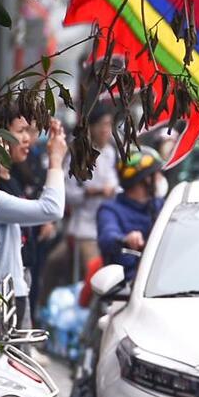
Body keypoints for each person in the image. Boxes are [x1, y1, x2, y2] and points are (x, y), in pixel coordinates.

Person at [0, 113, 66, 325]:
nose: (7, 147)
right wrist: (56, 159)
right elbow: (51, 209)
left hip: (9, 291)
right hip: (2, 295)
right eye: (0, 144)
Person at [65, 105, 118, 278]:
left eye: (109, 125)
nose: (105, 130)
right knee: (94, 276)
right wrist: (91, 193)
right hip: (86, 229)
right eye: (102, 125)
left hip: (109, 226)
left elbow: (116, 184)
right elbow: (68, 193)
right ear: (91, 128)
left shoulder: (110, 152)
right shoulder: (78, 155)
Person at [96, 151, 164, 282]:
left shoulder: (159, 205)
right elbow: (107, 237)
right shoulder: (110, 210)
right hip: (126, 287)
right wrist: (126, 239)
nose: (161, 179)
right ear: (145, 179)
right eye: (157, 174)